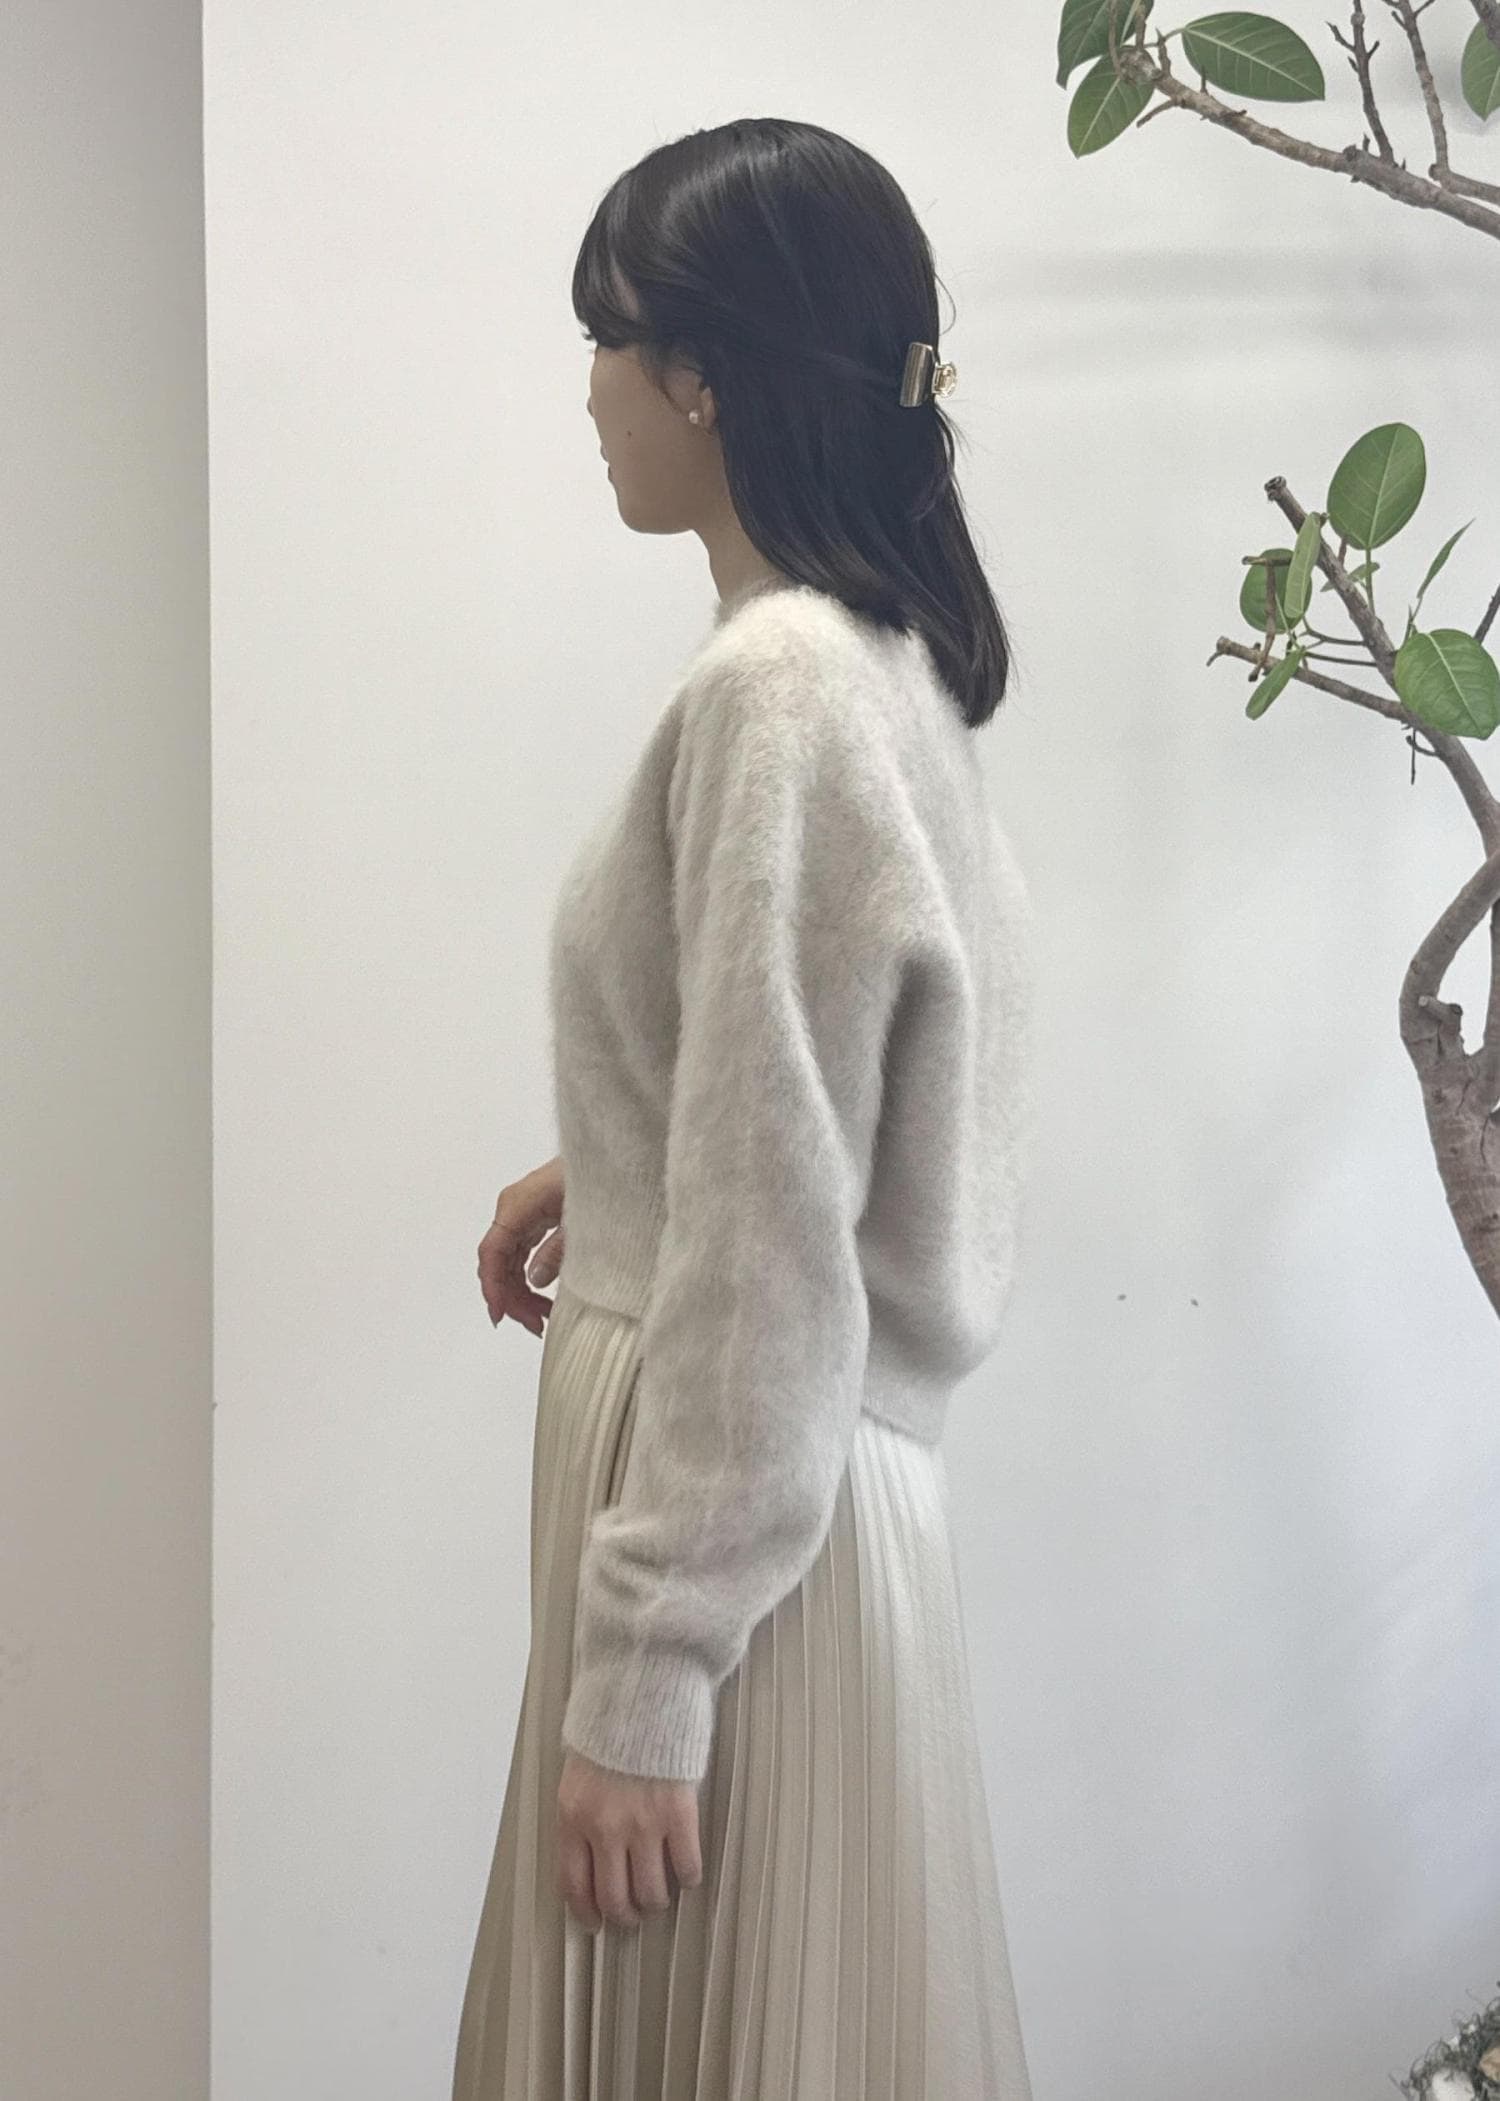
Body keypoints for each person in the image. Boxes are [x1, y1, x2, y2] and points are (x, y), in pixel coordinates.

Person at [452, 115, 1038, 2099]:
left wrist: (648, 1669)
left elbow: (777, 1220)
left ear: (702, 375)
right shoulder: (877, 667)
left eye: (607, 340)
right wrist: (620, 1151)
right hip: (799, 1504)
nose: (590, 393)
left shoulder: (780, 686)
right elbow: (845, 1088)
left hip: (735, 1543)